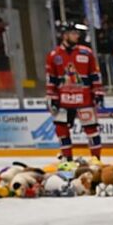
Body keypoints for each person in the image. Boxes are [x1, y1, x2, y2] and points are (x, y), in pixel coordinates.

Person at [45, 22, 105, 161]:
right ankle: (68, 160)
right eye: (73, 33)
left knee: (92, 129)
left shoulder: (86, 52)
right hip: (63, 100)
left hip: (84, 99)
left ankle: (96, 160)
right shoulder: (54, 55)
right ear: (65, 35)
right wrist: (52, 97)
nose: (76, 36)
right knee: (61, 129)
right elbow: (51, 79)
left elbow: (95, 75)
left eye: (77, 33)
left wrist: (98, 93)